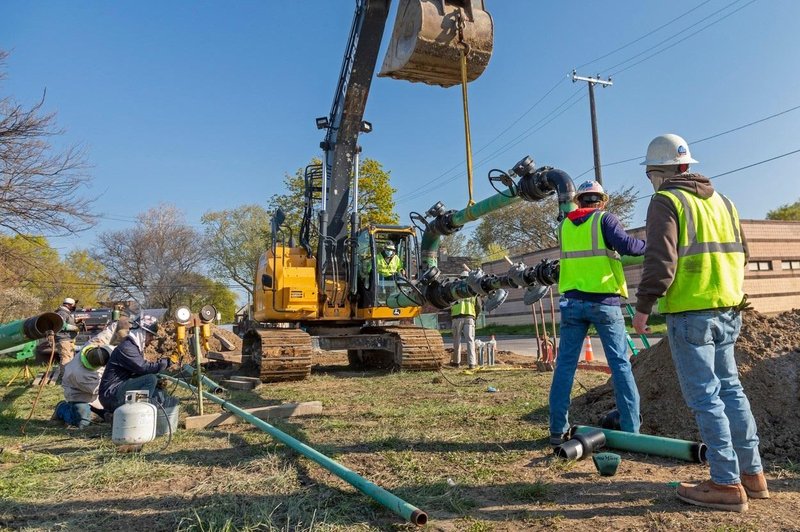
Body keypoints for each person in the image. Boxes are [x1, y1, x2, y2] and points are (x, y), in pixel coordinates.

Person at [633, 134, 766, 512]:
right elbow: (744, 252)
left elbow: (660, 259)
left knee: (706, 397)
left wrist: (644, 306)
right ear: (687, 165)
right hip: (728, 309)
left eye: (650, 175)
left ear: (660, 172)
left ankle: (725, 483)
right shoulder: (724, 201)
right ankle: (752, 475)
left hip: (691, 313)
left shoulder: (666, 200)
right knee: (731, 391)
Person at [550, 180, 645, 446]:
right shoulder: (605, 219)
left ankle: (557, 430)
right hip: (604, 302)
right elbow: (626, 246)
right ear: (601, 201)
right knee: (619, 364)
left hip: (571, 302)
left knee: (565, 365)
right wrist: (652, 247)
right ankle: (631, 430)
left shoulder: (564, 226)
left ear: (579, 201)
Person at [99, 315, 170, 413]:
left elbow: (137, 372)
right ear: (141, 332)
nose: (151, 339)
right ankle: (138, 413)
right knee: (150, 379)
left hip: (115, 391)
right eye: (150, 335)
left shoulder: (132, 346)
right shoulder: (127, 348)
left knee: (156, 388)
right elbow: (143, 368)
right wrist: (166, 363)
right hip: (111, 395)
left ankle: (129, 412)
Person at [53, 344, 113, 428]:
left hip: (99, 389)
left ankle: (102, 412)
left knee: (109, 411)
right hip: (79, 394)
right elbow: (98, 390)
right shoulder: (78, 373)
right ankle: (62, 408)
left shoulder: (96, 348)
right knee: (83, 423)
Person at [450, 272, 480, 369]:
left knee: (456, 340)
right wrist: (476, 316)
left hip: (456, 317)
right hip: (469, 317)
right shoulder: (474, 289)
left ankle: (456, 363)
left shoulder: (454, 288)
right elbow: (478, 306)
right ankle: (472, 363)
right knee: (470, 340)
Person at [52, 297, 79, 383]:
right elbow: (60, 325)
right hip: (63, 339)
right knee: (65, 358)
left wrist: (76, 322)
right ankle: (65, 379)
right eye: (73, 305)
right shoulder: (62, 313)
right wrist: (73, 327)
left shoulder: (65, 313)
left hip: (67, 339)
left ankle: (68, 377)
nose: (74, 307)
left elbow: (66, 322)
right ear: (69, 305)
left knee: (69, 358)